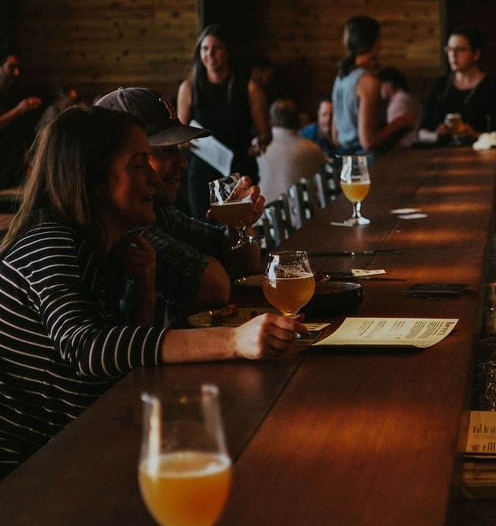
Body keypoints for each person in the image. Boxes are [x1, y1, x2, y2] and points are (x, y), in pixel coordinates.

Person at [0, 105, 302, 476]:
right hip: (29, 475)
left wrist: (143, 294)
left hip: (80, 448)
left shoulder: (101, 247)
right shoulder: (51, 242)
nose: (155, 180)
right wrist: (233, 341)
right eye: (140, 164)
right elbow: (87, 349)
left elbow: (116, 372)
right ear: (95, 181)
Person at [96, 87, 264, 325]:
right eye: (164, 151)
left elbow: (245, 263)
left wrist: (239, 224)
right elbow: (215, 287)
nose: (183, 163)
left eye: (179, 149)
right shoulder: (126, 225)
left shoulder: (159, 211)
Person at [177, 24, 272, 217]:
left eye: (216, 48)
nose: (210, 54)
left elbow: (265, 133)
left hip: (238, 169)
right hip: (202, 172)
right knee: (204, 228)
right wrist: (183, 141)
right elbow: (178, 133)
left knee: (237, 227)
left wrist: (260, 143)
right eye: (205, 49)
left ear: (227, 52)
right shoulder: (189, 88)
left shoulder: (249, 86)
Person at [418, 25, 496, 144]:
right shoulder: (440, 85)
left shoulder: (492, 87)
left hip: (481, 156)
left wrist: (476, 135)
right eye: (449, 49)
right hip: (440, 156)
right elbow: (421, 132)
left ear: (476, 54)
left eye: (460, 49)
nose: (453, 55)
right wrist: (436, 135)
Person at [331, 16, 413, 157]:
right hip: (367, 164)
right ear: (375, 42)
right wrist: (399, 123)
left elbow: (335, 136)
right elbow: (368, 142)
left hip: (345, 163)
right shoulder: (368, 82)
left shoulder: (341, 78)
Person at [257, 98, 330, 202]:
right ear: (299, 120)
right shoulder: (311, 150)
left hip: (262, 210)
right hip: (298, 214)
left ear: (271, 121)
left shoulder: (259, 147)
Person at [0, 48, 42, 188]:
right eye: (11, 67)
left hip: (14, 162)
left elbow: (20, 134)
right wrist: (18, 110)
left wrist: (29, 163)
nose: (16, 73)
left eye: (18, 68)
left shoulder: (14, 94)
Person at [378, 66, 420, 147]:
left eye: (381, 85)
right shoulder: (405, 97)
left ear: (389, 84)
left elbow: (396, 130)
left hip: (405, 147)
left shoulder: (399, 102)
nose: (379, 89)